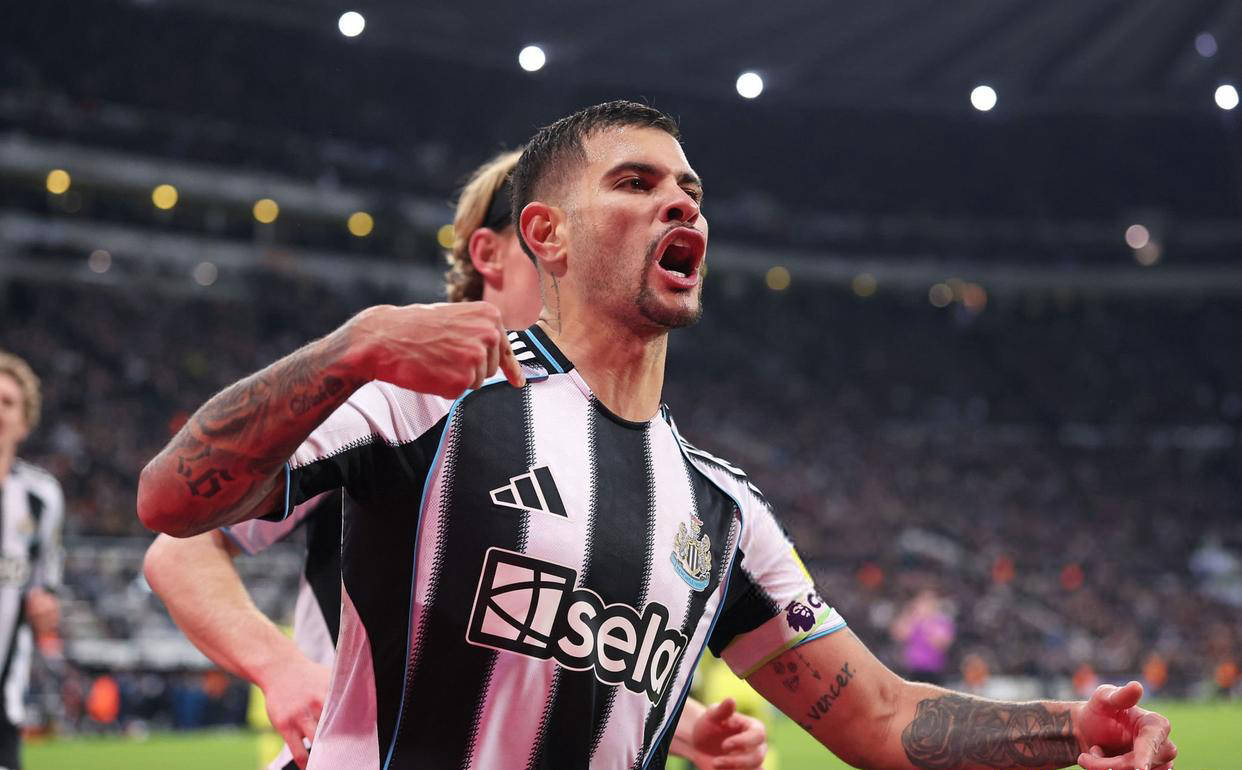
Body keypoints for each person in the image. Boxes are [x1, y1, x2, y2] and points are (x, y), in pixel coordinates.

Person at [137, 101, 1176, 770]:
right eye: (634, 183)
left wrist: (1070, 729)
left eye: (690, 191)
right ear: (544, 235)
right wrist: (351, 346)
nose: (679, 201)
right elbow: (170, 505)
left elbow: (882, 714)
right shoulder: (426, 400)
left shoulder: (722, 512)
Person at [142, 149, 765, 770]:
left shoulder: (618, 447)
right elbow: (180, 548)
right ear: (492, 251)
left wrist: (674, 722)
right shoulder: (407, 398)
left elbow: (543, 639)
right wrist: (279, 668)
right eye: (551, 224)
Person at [0, 351, 64, 770]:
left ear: (24, 423)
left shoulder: (42, 497)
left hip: (4, 699)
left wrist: (45, 609)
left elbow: (45, 587)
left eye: (7, 402)